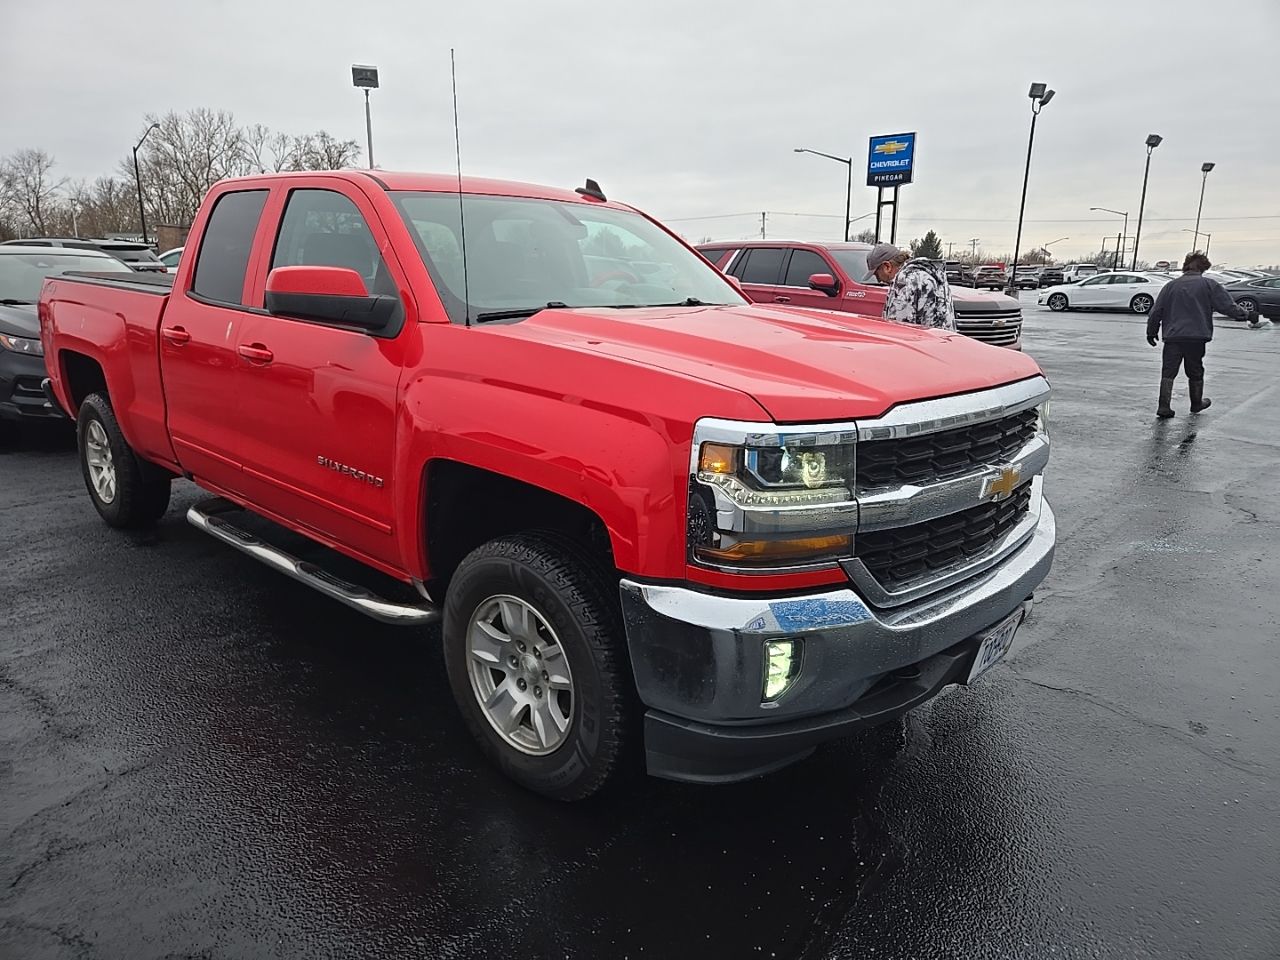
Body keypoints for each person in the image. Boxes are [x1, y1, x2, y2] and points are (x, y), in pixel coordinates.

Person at [1145, 251, 1258, 418]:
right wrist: (1248, 315)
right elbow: (1227, 306)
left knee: (1168, 371)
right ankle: (1196, 403)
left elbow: (1156, 311)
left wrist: (1151, 331)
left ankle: (1164, 406)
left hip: (1173, 336)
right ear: (1203, 268)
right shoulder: (1208, 285)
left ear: (1186, 266)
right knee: (1195, 370)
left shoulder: (1170, 286)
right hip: (1196, 336)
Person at [865, 243, 956, 331]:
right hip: (945, 343)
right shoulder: (934, 275)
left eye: (877, 274)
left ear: (887, 267)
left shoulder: (904, 281)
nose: (879, 280)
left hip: (922, 344)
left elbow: (898, 329)